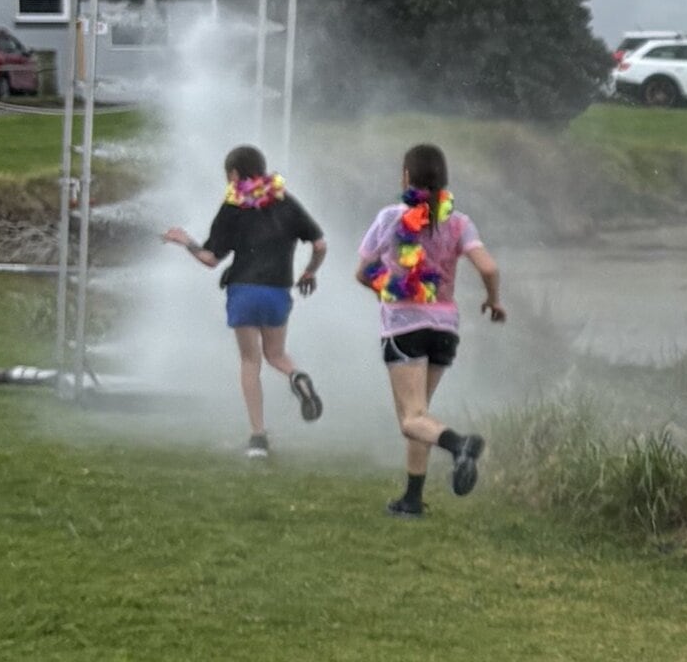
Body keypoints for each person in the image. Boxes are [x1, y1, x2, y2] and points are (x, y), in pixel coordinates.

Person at [356, 141, 505, 516]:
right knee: (421, 416)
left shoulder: (391, 217)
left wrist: (389, 288)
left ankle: (460, 446)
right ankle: (411, 500)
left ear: (406, 176)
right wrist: (493, 300)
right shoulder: (458, 222)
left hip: (405, 327)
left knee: (411, 419)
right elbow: (488, 267)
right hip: (445, 330)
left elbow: (363, 271)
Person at [162, 143, 326, 459]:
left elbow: (210, 259)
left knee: (250, 362)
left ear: (235, 175)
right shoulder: (286, 203)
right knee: (276, 354)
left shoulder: (233, 207)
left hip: (244, 291)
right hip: (278, 291)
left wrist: (185, 241)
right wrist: (309, 273)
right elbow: (319, 244)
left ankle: (257, 438)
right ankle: (297, 377)